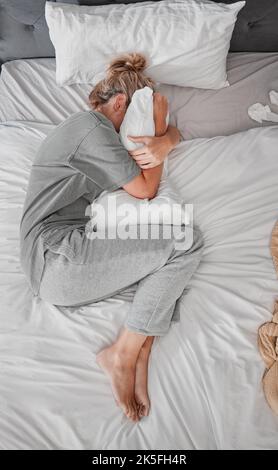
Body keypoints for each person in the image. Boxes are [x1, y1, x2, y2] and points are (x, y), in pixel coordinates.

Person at [19, 52, 204, 423]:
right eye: (133, 112)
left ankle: (140, 351)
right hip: (57, 259)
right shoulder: (92, 129)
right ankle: (121, 353)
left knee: (160, 272)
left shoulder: (86, 133)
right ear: (122, 103)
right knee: (186, 242)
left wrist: (171, 136)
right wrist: (158, 125)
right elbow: (146, 189)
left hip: (60, 266)